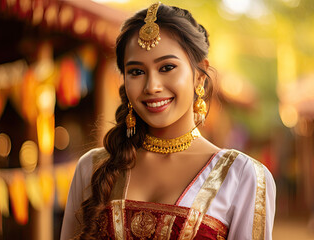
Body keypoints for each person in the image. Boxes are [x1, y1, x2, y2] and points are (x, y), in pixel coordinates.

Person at [60, 3, 276, 239]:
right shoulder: (92, 168)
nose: (152, 86)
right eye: (136, 71)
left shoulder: (241, 176)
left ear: (199, 76)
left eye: (167, 67)